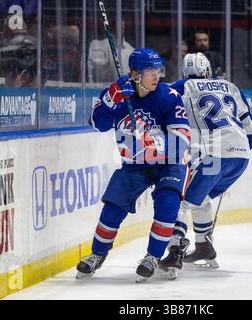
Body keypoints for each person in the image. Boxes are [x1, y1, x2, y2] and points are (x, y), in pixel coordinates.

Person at [76, 48, 191, 282]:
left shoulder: (168, 96)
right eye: (150, 72)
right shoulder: (119, 94)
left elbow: (181, 143)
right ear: (135, 74)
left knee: (168, 202)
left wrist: (156, 146)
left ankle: (152, 256)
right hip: (135, 164)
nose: (156, 76)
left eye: (158, 71)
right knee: (113, 207)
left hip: (168, 163)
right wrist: (111, 98)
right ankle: (97, 254)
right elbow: (98, 124)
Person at [159, 53, 252, 272]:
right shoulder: (231, 86)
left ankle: (175, 251)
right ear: (208, 71)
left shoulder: (182, 86)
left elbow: (157, 98)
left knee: (180, 199)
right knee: (200, 197)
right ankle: (204, 246)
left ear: (186, 73)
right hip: (240, 156)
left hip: (212, 154)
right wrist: (236, 152)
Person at [87, 20, 135, 85]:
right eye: (119, 27)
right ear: (113, 28)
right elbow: (92, 71)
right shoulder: (99, 45)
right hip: (103, 88)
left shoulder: (130, 50)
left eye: (123, 28)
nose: (121, 30)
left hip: (123, 90)